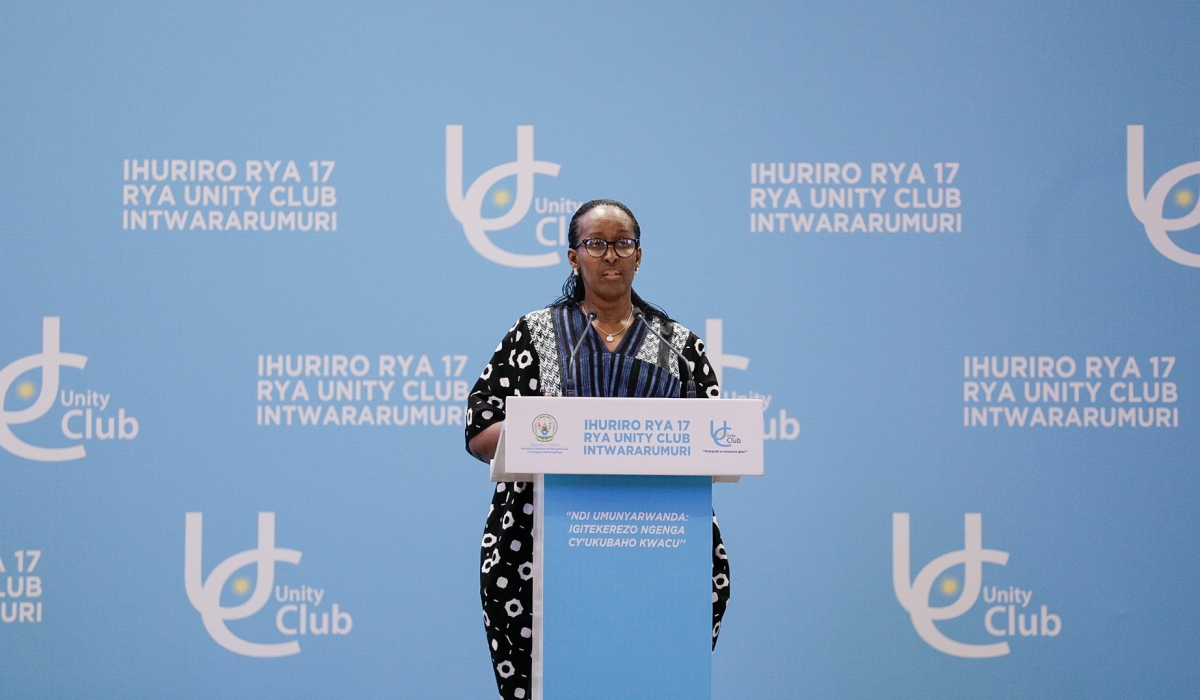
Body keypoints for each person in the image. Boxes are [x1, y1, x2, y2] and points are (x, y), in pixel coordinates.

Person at [464, 199, 731, 700]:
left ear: (639, 256)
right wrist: (538, 426)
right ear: (574, 257)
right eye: (596, 244)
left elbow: (716, 438)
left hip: (662, 548)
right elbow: (479, 430)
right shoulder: (533, 335)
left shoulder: (678, 347)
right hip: (534, 551)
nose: (611, 255)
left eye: (623, 244)